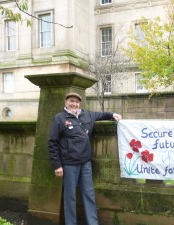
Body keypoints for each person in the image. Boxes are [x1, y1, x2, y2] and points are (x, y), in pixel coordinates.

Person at [48, 92, 122, 225]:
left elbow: (101, 115)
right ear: (66, 102)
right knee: (70, 197)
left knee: (89, 194)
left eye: (76, 102)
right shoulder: (59, 118)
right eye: (71, 101)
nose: (74, 104)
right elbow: (52, 142)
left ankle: (92, 222)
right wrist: (57, 165)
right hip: (69, 164)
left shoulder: (87, 114)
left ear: (79, 103)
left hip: (86, 162)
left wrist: (112, 114)